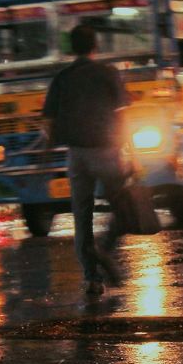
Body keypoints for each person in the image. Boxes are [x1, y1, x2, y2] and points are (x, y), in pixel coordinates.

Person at [42, 23, 130, 296]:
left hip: (76, 155)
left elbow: (47, 121)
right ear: (96, 46)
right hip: (106, 149)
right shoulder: (108, 74)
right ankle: (104, 248)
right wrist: (130, 151)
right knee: (123, 206)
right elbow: (123, 114)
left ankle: (92, 278)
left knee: (82, 215)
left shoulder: (63, 77)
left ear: (72, 48)